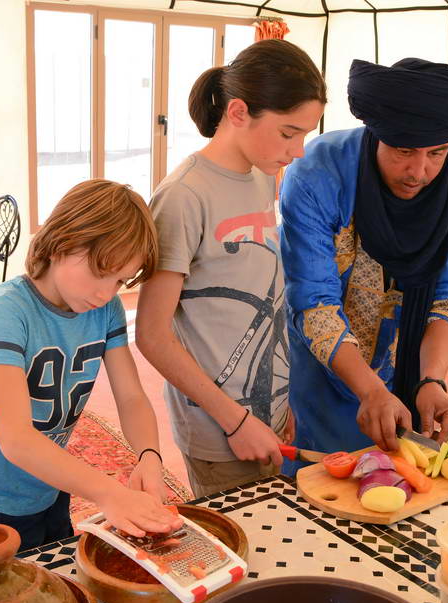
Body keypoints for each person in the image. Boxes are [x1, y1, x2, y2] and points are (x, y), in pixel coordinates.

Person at [279, 57, 448, 475]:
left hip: (409, 358)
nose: (419, 172)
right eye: (403, 151)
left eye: (437, 153)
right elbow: (314, 303)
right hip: (329, 365)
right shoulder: (317, 174)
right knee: (325, 481)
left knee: (404, 487)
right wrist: (370, 389)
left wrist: (431, 379)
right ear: (375, 135)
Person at [136, 40, 327, 498]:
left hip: (270, 409)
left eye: (304, 134)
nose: (298, 151)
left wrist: (283, 400)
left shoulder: (261, 173)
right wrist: (236, 420)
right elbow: (152, 335)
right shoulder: (183, 196)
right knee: (243, 555)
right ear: (238, 112)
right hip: (220, 428)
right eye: (288, 133)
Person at [0, 179, 181, 552]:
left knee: (57, 578)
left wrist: (150, 456)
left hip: (52, 479)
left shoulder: (105, 309)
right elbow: (16, 439)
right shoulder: (6, 310)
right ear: (61, 243)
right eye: (100, 271)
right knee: (8, 600)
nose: (107, 292)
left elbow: (131, 396)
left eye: (120, 280)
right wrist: (110, 494)